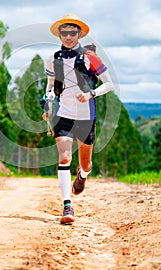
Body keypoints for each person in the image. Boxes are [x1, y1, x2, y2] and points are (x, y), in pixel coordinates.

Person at [42, 13, 114, 224]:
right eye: (64, 33)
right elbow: (50, 87)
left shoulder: (90, 57)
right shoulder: (53, 59)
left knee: (86, 163)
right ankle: (67, 206)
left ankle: (82, 176)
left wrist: (91, 94)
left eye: (72, 33)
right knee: (64, 158)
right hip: (63, 115)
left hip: (85, 117)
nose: (68, 37)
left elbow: (108, 84)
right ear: (60, 35)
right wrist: (47, 103)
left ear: (79, 34)